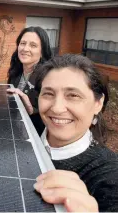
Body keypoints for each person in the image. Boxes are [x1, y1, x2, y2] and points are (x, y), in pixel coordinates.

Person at [33, 54, 118, 212]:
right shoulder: (28, 128)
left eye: (73, 95)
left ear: (98, 103)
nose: (57, 108)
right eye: (48, 94)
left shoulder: (110, 175)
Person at [6, 26, 52, 135]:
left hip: (37, 135)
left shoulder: (48, 77)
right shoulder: (16, 72)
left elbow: (52, 112)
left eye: (33, 45)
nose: (25, 49)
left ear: (42, 52)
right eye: (22, 43)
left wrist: (31, 109)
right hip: (16, 130)